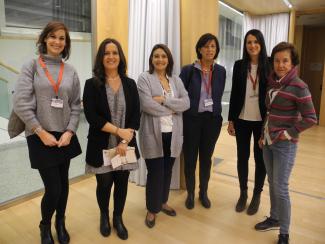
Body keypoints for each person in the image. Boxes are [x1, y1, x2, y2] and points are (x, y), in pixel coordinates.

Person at [13, 21, 82, 244]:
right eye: (53, 36)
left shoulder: (70, 71)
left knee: (63, 184)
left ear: (66, 43)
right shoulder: (31, 66)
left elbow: (75, 105)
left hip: (64, 135)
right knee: (53, 187)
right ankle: (45, 226)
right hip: (39, 134)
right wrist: (40, 131)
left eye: (62, 38)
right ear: (44, 39)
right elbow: (21, 102)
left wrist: (70, 131)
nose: (57, 41)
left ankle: (60, 222)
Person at [254, 42, 317, 244]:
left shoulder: (299, 86)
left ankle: (284, 232)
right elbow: (270, 112)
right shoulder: (273, 82)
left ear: (293, 63)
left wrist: (288, 134)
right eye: (277, 61)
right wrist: (264, 134)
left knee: (281, 187)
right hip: (269, 142)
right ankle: (274, 217)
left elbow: (311, 118)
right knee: (272, 183)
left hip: (285, 145)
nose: (280, 64)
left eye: (285, 61)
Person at [83, 38, 140, 240]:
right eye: (106, 53)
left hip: (125, 145)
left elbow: (135, 114)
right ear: (101, 57)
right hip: (102, 145)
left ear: (120, 57)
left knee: (122, 184)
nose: (111, 56)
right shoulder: (91, 84)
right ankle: (104, 216)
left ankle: (118, 218)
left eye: (115, 53)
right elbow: (92, 116)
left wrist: (125, 141)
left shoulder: (130, 84)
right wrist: (119, 132)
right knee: (105, 184)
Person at [137, 44, 190, 228]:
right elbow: (146, 105)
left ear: (169, 60)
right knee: (155, 173)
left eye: (163, 56)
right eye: (156, 56)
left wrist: (166, 100)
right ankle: (152, 210)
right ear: (151, 59)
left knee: (167, 171)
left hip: (173, 135)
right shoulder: (144, 78)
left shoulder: (176, 80)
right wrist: (173, 109)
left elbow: (186, 103)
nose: (160, 59)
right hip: (153, 135)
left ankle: (162, 202)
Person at [180, 33, 226, 209]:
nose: (209, 49)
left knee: (206, 159)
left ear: (216, 50)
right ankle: (190, 194)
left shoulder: (220, 71)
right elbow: (180, 95)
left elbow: (218, 93)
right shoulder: (188, 70)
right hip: (192, 120)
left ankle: (203, 192)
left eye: (213, 46)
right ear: (199, 49)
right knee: (190, 158)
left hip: (212, 121)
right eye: (206, 46)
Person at [227, 29, 271, 215]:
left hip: (262, 121)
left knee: (260, 160)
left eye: (255, 42)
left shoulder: (269, 65)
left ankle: (256, 195)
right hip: (242, 119)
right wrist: (230, 119)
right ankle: (243, 193)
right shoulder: (239, 65)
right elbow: (235, 93)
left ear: (261, 44)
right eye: (249, 42)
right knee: (242, 157)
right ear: (245, 46)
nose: (252, 45)